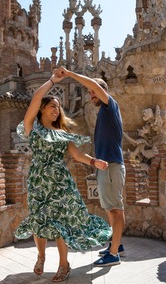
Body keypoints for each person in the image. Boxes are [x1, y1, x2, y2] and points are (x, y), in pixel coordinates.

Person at [14, 72, 112, 282]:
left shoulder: (62, 133)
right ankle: (41, 257)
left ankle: (64, 265)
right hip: (39, 181)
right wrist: (51, 82)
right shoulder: (33, 128)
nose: (57, 109)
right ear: (42, 109)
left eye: (58, 107)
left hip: (60, 183)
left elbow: (76, 155)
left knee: (61, 224)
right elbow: (34, 100)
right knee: (39, 220)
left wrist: (95, 162)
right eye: (52, 106)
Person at [54, 66, 125, 267]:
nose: (90, 95)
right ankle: (116, 245)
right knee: (112, 208)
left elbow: (94, 84)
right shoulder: (104, 112)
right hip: (107, 165)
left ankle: (113, 255)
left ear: (102, 92)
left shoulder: (109, 105)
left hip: (111, 165)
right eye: (89, 93)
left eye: (93, 92)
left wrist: (68, 74)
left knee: (115, 209)